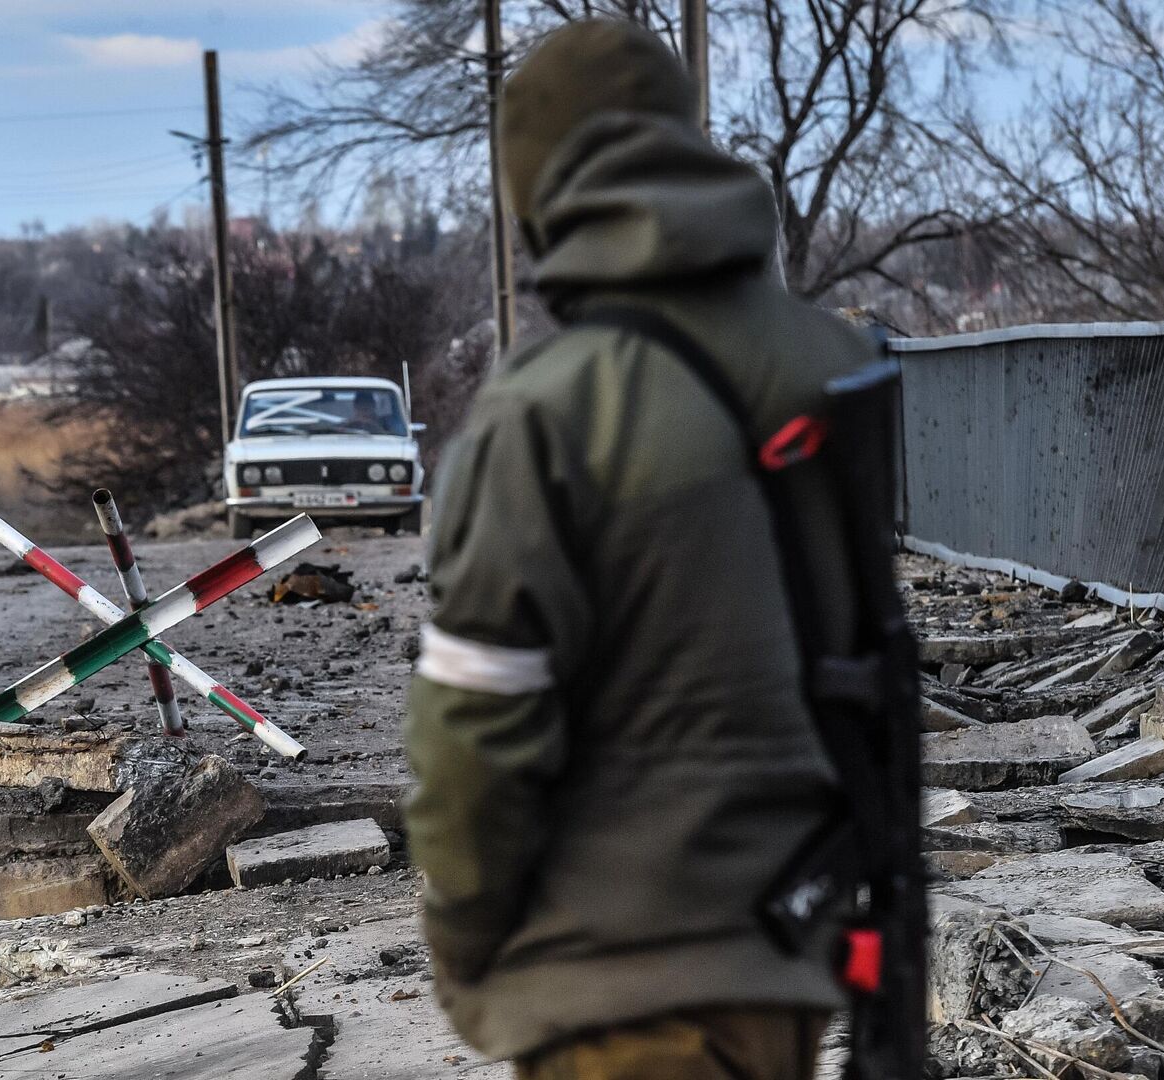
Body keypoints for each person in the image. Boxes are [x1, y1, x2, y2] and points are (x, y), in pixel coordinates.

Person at [404, 18, 877, 1080]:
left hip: (613, 997)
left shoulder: (548, 404)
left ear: (533, 185)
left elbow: (474, 728)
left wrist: (469, 942)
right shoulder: (835, 360)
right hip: (786, 969)